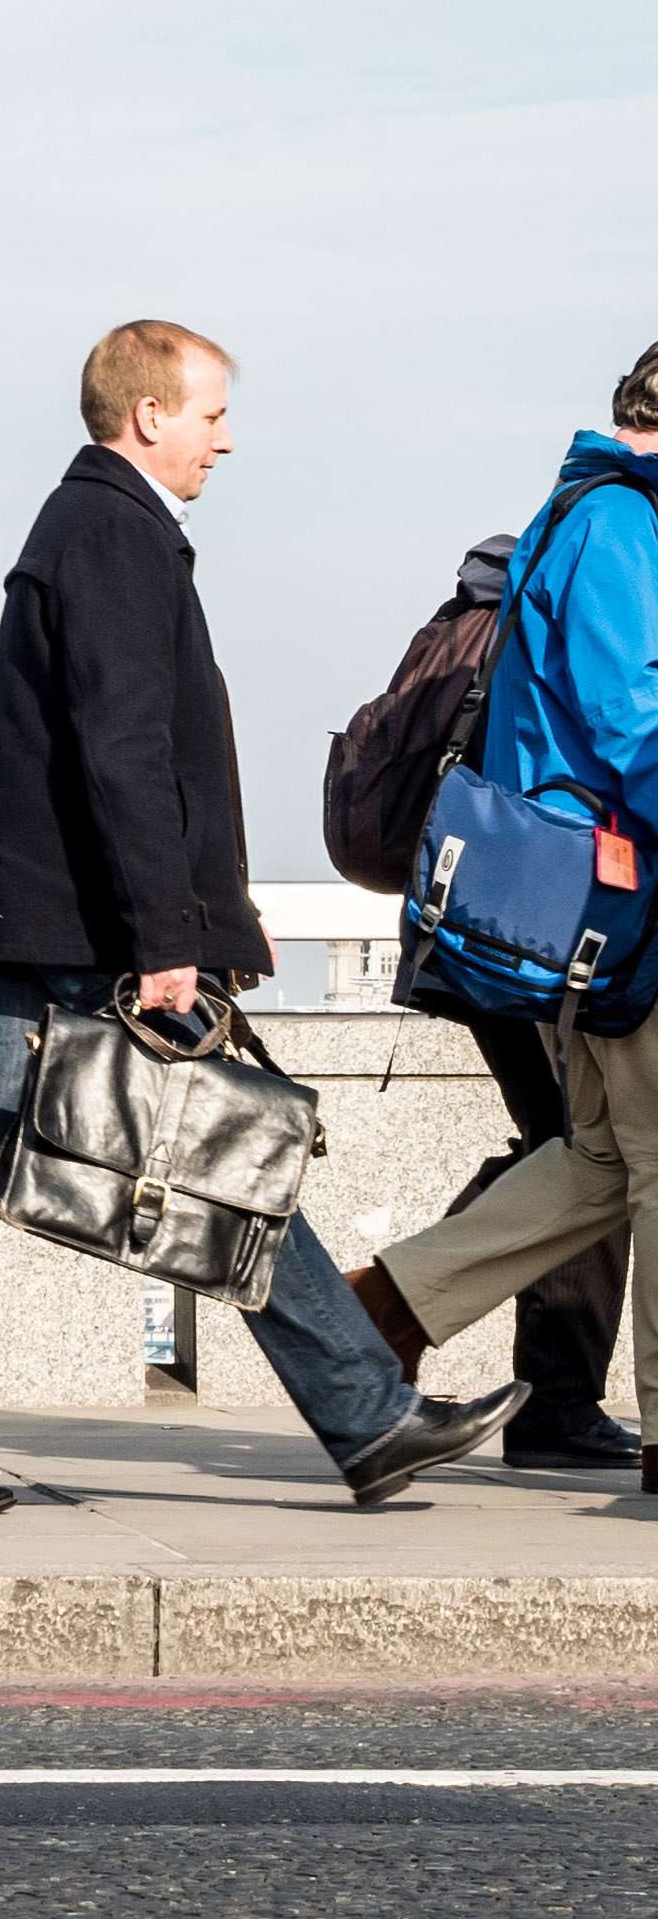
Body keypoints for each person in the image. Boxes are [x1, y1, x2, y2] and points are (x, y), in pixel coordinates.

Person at [0, 323, 519, 1513]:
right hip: (85, 926)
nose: (222, 438)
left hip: (62, 916)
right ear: (145, 414)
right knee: (204, 1147)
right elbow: (124, 749)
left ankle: (360, 1411)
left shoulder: (97, 526)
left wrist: (203, 911)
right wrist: (168, 936)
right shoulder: (111, 532)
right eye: (208, 413)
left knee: (135, 1151)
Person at [348, 344, 658, 1481]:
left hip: (585, 899)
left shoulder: (590, 516)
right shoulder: (619, 524)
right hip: (615, 899)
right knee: (642, 1156)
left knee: (593, 1156)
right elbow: (632, 725)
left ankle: (371, 1312)